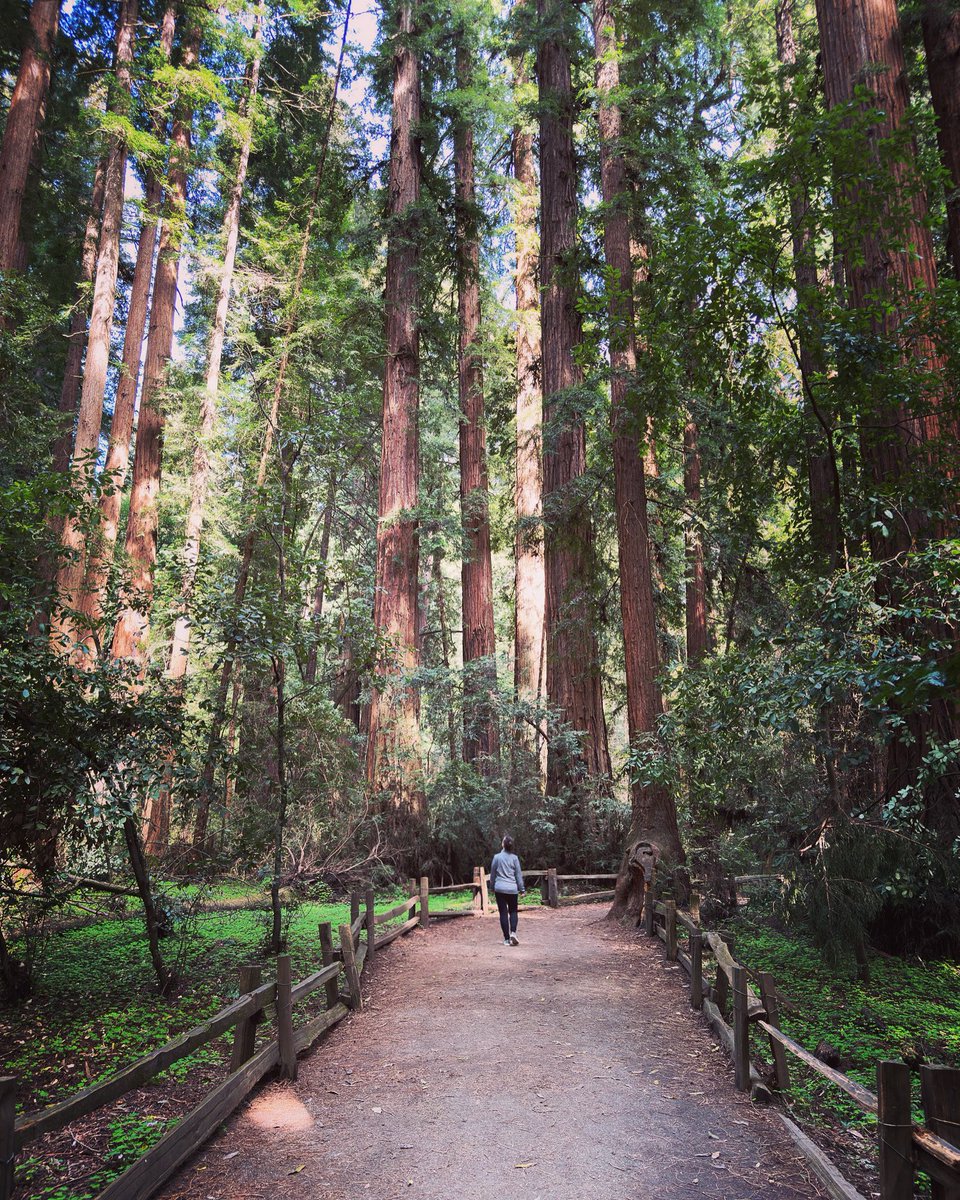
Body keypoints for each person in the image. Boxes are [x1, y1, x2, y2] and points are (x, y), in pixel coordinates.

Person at [489, 835, 525, 946]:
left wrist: (491, 887)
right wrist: (522, 889)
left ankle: (506, 939)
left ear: (503, 844)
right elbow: (518, 875)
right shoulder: (514, 858)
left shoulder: (497, 857)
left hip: (500, 889)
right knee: (513, 911)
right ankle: (513, 932)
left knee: (503, 913)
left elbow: (493, 874)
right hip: (512, 889)